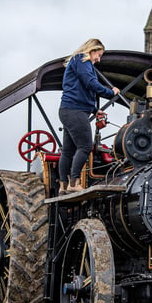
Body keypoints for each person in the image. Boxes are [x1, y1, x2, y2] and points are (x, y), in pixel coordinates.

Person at [58, 39, 120, 194]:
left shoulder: (78, 62)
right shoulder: (82, 61)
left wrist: (94, 110)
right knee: (85, 147)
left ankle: (63, 186)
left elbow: (80, 91)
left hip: (68, 110)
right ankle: (74, 182)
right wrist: (110, 92)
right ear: (91, 50)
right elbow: (90, 84)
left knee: (67, 150)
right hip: (75, 111)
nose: (98, 59)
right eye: (98, 55)